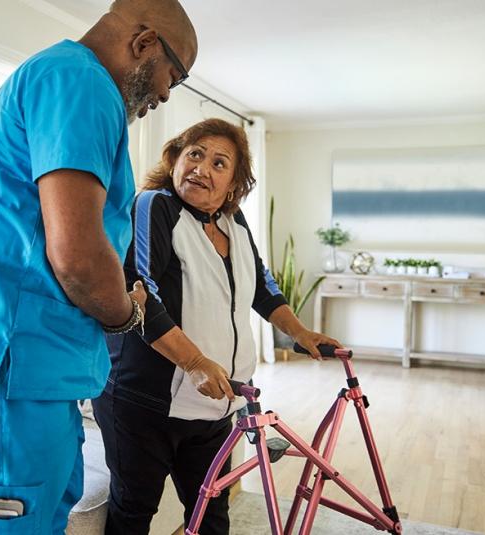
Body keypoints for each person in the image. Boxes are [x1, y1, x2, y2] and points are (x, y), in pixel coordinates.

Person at [0, 1, 198, 533]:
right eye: (173, 75)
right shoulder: (82, 85)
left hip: (11, 354)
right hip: (7, 356)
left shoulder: (62, 78)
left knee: (47, 506)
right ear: (145, 43)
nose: (165, 94)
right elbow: (79, 257)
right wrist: (123, 314)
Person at [93, 118, 342, 535]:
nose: (202, 168)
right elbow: (141, 291)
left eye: (219, 162)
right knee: (134, 510)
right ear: (174, 159)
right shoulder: (154, 205)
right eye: (195, 154)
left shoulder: (234, 222)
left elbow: (262, 285)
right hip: (143, 402)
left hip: (215, 402)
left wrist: (301, 333)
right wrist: (193, 362)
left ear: (234, 184)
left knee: (211, 510)